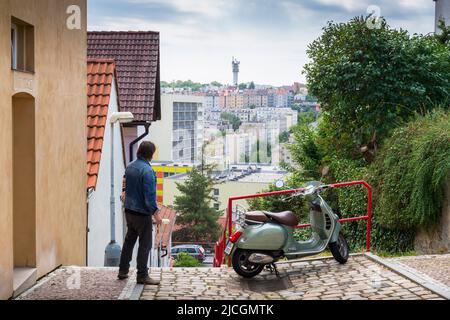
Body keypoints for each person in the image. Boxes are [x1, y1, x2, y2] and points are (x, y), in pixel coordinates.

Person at [118, 141, 162, 285]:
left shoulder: (130, 166)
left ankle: (123, 270)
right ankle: (142, 275)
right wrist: (156, 214)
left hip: (128, 211)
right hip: (141, 214)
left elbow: (124, 186)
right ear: (151, 154)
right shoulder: (147, 171)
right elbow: (149, 197)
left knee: (129, 241)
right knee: (145, 245)